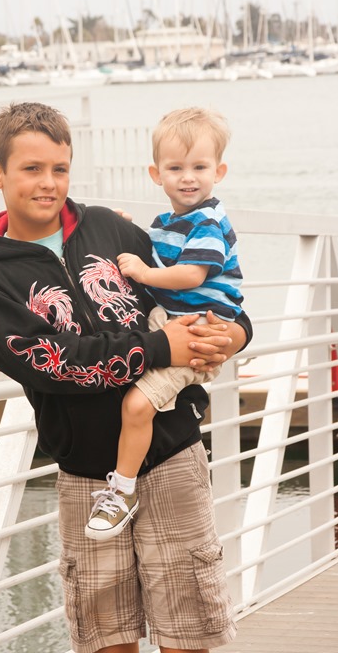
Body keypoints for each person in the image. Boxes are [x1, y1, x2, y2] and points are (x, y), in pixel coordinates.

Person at [0, 101, 252, 653]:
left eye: (60, 169)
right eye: (31, 168)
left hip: (172, 456)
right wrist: (158, 346)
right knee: (107, 640)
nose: (48, 183)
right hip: (87, 475)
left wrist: (237, 333)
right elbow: (52, 362)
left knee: (188, 635)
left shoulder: (108, 227)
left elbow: (194, 291)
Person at [85, 107, 243, 542]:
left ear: (219, 171)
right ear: (157, 174)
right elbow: (152, 253)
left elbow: (190, 275)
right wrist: (121, 229)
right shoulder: (169, 224)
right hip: (174, 321)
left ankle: (122, 490)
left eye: (199, 167)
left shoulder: (208, 221)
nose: (188, 178)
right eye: (176, 168)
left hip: (198, 331)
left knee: (137, 406)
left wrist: (143, 271)